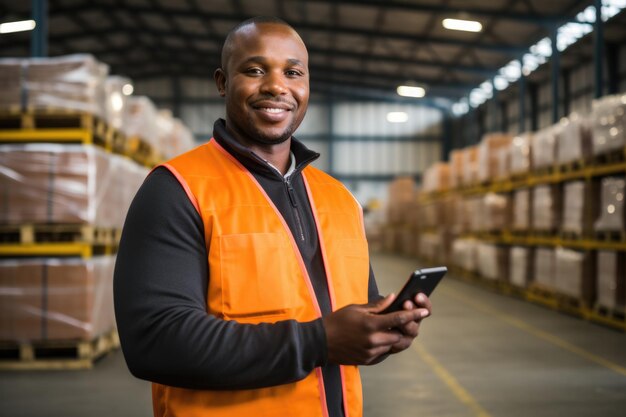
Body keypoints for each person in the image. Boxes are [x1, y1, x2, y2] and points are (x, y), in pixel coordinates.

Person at [113, 16, 432, 417]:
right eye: (255, 70)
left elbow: (354, 321)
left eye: (293, 72)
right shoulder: (176, 190)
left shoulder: (339, 199)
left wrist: (385, 331)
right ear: (223, 82)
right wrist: (320, 341)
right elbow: (155, 341)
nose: (277, 86)